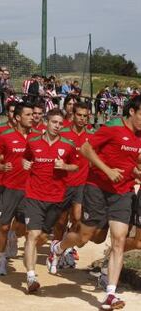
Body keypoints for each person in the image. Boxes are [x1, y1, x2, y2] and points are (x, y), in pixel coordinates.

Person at [48, 96, 141, 309]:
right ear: (132, 112)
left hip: (123, 192)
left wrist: (135, 171)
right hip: (97, 188)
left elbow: (131, 159)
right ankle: (58, 246)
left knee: (118, 240)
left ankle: (110, 294)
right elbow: (86, 149)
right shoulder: (113, 127)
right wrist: (107, 170)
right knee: (86, 235)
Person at [20, 108, 79, 293]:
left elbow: (76, 166)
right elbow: (25, 157)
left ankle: (29, 253)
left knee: (43, 237)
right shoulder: (33, 141)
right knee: (33, 234)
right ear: (46, 122)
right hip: (34, 195)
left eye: (60, 123)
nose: (57, 126)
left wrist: (65, 165)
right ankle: (31, 277)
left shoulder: (68, 144)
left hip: (56, 198)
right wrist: (24, 163)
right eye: (54, 122)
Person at [0, 102, 38, 275]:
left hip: (30, 190)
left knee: (25, 229)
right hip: (9, 188)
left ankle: (13, 237)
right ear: (18, 117)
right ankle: (1, 259)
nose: (32, 117)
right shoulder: (5, 136)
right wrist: (1, 167)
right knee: (2, 227)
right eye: (28, 115)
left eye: (33, 114)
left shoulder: (38, 137)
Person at [52, 101, 94, 266]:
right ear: (73, 114)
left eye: (85, 116)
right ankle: (55, 248)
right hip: (63, 183)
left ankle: (66, 246)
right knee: (61, 221)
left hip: (81, 184)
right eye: (79, 115)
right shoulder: (63, 133)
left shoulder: (91, 135)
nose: (82, 118)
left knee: (77, 218)